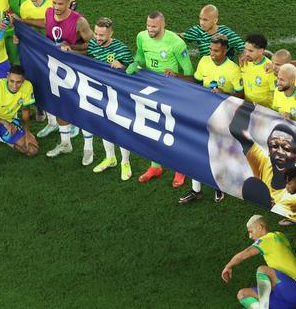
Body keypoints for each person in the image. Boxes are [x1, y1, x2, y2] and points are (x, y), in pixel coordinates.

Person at [126, 11, 194, 188]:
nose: (150, 29)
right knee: (152, 127)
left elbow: (188, 71)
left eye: (154, 27)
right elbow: (140, 56)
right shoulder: (141, 37)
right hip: (150, 90)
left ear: (163, 25)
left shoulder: (176, 43)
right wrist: (135, 63)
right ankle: (155, 166)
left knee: (174, 131)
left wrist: (177, 81)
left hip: (172, 92)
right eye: (148, 25)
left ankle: (181, 170)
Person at [178, 34, 241, 204]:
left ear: (225, 50)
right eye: (210, 49)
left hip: (223, 115)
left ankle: (218, 186)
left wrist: (224, 93)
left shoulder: (233, 69)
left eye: (216, 51)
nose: (212, 53)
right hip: (203, 112)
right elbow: (196, 81)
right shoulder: (204, 61)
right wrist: (177, 76)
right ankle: (195, 190)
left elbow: (241, 94)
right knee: (195, 148)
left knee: (215, 152)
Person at [44, 0, 94, 158]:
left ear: (69, 3)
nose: (56, 6)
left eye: (60, 4)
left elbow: (94, 45)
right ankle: (65, 143)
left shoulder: (80, 22)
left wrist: (70, 48)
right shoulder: (49, 13)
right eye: (54, 3)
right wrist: (22, 23)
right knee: (59, 105)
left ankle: (88, 148)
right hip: (56, 69)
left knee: (82, 106)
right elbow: (45, 26)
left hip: (78, 69)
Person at [221, 215, 296, 309]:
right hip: (282, 298)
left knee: (262, 270)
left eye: (251, 232)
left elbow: (242, 256)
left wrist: (228, 266)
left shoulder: (266, 239)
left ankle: (263, 307)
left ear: (260, 228)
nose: (250, 236)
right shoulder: (279, 235)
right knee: (242, 294)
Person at [86, 17, 134, 179]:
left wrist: (123, 67)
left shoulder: (121, 49)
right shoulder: (92, 44)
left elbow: (136, 70)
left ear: (111, 33)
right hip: (99, 92)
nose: (98, 38)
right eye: (96, 34)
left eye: (102, 35)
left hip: (118, 94)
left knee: (119, 128)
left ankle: (125, 162)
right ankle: (110, 157)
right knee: (104, 125)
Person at [13, 0, 58, 139]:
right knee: (41, 86)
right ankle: (52, 122)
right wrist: (19, 35)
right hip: (36, 53)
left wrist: (24, 21)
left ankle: (71, 125)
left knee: (59, 87)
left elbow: (49, 23)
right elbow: (28, 30)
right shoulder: (25, 6)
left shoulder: (53, 2)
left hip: (55, 51)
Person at [0, 65, 38, 176]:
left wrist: (27, 132)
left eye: (18, 82)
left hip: (9, 121)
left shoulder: (28, 86)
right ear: (7, 77)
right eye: (12, 81)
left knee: (31, 150)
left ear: (23, 80)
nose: (15, 85)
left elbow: (25, 110)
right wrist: (4, 122)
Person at [239, 33, 274, 108]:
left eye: (251, 51)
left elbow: (276, 94)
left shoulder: (270, 69)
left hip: (264, 110)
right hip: (247, 106)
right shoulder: (244, 61)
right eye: (245, 49)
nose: (247, 53)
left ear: (261, 51)